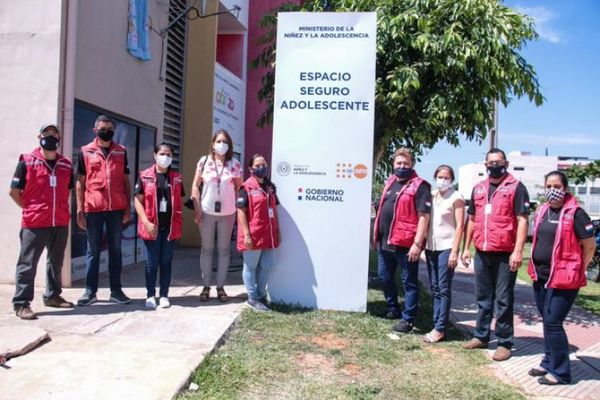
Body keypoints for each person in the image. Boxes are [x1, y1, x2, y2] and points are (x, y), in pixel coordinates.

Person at [527, 171, 596, 385]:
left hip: (565, 277)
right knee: (547, 322)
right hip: (541, 275)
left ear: (565, 188)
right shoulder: (542, 210)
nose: (552, 190)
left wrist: (579, 268)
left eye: (557, 186)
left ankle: (561, 372)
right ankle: (548, 361)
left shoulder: (576, 213)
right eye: (549, 185)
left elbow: (589, 245)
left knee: (553, 322)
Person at [461, 148, 530, 361]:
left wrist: (518, 251)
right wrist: (466, 248)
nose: (493, 165)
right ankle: (481, 336)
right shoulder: (478, 188)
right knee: (482, 298)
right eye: (490, 162)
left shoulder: (516, 187)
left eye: (497, 162)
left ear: (506, 163)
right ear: (485, 165)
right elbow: (471, 220)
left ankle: (504, 342)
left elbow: (522, 220)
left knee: (503, 300)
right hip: (482, 252)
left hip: (504, 253)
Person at [9, 124, 74, 319]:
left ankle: (53, 296)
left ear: (59, 138)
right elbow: (14, 192)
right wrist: (30, 209)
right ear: (40, 136)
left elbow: (67, 191)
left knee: (56, 262)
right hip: (35, 223)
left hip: (60, 222)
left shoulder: (66, 164)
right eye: (47, 133)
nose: (51, 136)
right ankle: (21, 303)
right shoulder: (27, 161)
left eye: (55, 133)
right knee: (27, 264)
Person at [373, 148, 431, 333]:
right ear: (393, 164)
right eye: (398, 163)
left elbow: (424, 217)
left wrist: (417, 244)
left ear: (412, 164)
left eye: (405, 163)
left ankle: (408, 319)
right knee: (385, 277)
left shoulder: (420, 186)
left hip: (405, 244)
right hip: (385, 241)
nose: (402, 166)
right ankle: (393, 308)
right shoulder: (390, 182)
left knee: (409, 283)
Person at [76, 115, 132, 306]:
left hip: (116, 208)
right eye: (102, 127)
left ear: (113, 131)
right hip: (94, 208)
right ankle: (90, 292)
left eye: (109, 128)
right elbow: (80, 183)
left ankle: (116, 291)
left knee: (116, 250)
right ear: (95, 130)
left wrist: (128, 207)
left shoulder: (121, 152)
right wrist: (79, 209)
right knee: (93, 251)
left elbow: (126, 180)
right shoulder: (85, 151)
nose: (106, 130)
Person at [191, 130, 242, 302]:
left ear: (229, 146)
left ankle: (220, 287)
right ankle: (206, 286)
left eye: (225, 141)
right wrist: (197, 207)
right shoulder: (203, 161)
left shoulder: (234, 164)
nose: (222, 144)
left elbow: (239, 189)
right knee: (207, 249)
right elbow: (195, 186)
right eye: (219, 141)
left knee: (224, 250)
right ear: (213, 143)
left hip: (228, 213)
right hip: (206, 212)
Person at [134, 143, 185, 309]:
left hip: (169, 228)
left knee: (166, 261)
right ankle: (150, 295)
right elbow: (137, 201)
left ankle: (164, 295)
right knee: (152, 262)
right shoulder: (144, 176)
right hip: (151, 227)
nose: (166, 157)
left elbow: (179, 201)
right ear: (155, 155)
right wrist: (146, 222)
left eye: (169, 154)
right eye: (162, 153)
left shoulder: (177, 177)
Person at [423, 165, 465, 342]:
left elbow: (460, 226)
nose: (443, 180)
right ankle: (437, 323)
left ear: (452, 179)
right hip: (431, 247)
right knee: (434, 287)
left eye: (446, 177)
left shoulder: (456, 197)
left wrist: (455, 251)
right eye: (440, 176)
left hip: (447, 247)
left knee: (443, 287)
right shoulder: (432, 195)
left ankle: (440, 328)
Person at [236, 154, 281, 311]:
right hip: (253, 234)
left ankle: (261, 296)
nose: (262, 168)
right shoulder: (246, 187)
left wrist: (277, 230)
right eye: (258, 165)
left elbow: (274, 210)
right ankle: (252, 298)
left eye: (264, 164)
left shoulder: (270, 187)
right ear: (251, 168)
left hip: (268, 234)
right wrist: (247, 234)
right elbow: (240, 211)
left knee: (268, 265)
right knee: (251, 266)